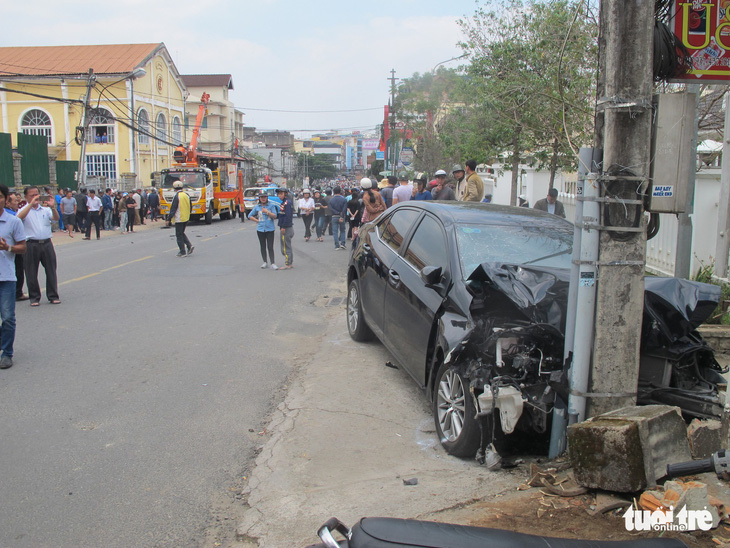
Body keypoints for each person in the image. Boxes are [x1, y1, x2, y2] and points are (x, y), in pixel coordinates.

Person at [17, 186, 60, 306]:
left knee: (51, 269)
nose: (36, 197)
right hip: (31, 244)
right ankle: (34, 297)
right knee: (31, 272)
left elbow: (56, 218)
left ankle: (53, 295)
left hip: (46, 243)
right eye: (32, 195)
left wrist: (53, 207)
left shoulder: (45, 209)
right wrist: (30, 204)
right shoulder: (24, 210)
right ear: (26, 197)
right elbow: (18, 218)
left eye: (37, 194)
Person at [0, 184, 26, 368]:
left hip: (6, 277)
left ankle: (7, 352)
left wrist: (7, 247)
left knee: (8, 317)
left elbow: (22, 247)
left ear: (5, 199)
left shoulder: (13, 221)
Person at [5, 192, 27, 302]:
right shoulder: (11, 216)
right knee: (18, 270)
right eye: (15, 201)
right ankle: (18, 292)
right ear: (7, 203)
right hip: (13, 247)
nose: (17, 203)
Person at [248, 192, 279, 269]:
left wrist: (267, 212)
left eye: (264, 197)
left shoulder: (271, 206)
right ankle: (265, 262)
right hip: (260, 229)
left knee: (270, 246)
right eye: (262, 197)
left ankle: (273, 263)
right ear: (259, 198)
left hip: (270, 229)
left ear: (267, 198)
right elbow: (250, 215)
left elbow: (275, 216)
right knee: (262, 246)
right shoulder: (257, 207)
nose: (263, 198)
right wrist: (257, 221)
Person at [166, 180, 194, 257]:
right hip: (186, 217)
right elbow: (191, 206)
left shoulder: (177, 196)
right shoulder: (186, 195)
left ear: (174, 188)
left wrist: (168, 219)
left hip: (179, 218)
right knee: (181, 233)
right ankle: (189, 246)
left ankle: (182, 251)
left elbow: (173, 209)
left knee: (179, 235)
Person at [275, 187, 294, 269]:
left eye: (281, 193)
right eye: (279, 194)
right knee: (286, 245)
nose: (279, 195)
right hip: (286, 227)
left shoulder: (287, 203)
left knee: (285, 247)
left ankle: (288, 263)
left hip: (286, 228)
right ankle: (290, 262)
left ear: (285, 194)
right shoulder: (284, 203)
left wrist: (283, 227)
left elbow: (287, 216)